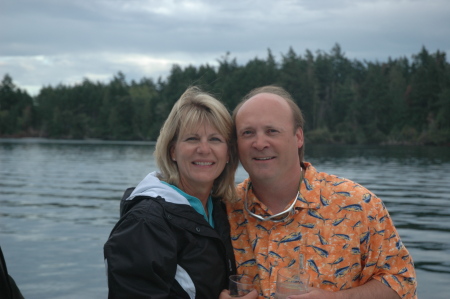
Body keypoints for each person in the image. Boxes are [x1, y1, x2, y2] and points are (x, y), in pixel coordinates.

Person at [224, 86, 417, 299]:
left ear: (298, 137)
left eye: (272, 131)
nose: (259, 143)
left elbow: (402, 283)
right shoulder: (224, 208)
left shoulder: (358, 204)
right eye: (248, 133)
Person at [104, 86, 239, 298]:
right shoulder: (145, 223)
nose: (204, 149)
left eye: (215, 139)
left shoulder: (222, 209)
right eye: (192, 139)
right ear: (173, 151)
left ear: (229, 153)